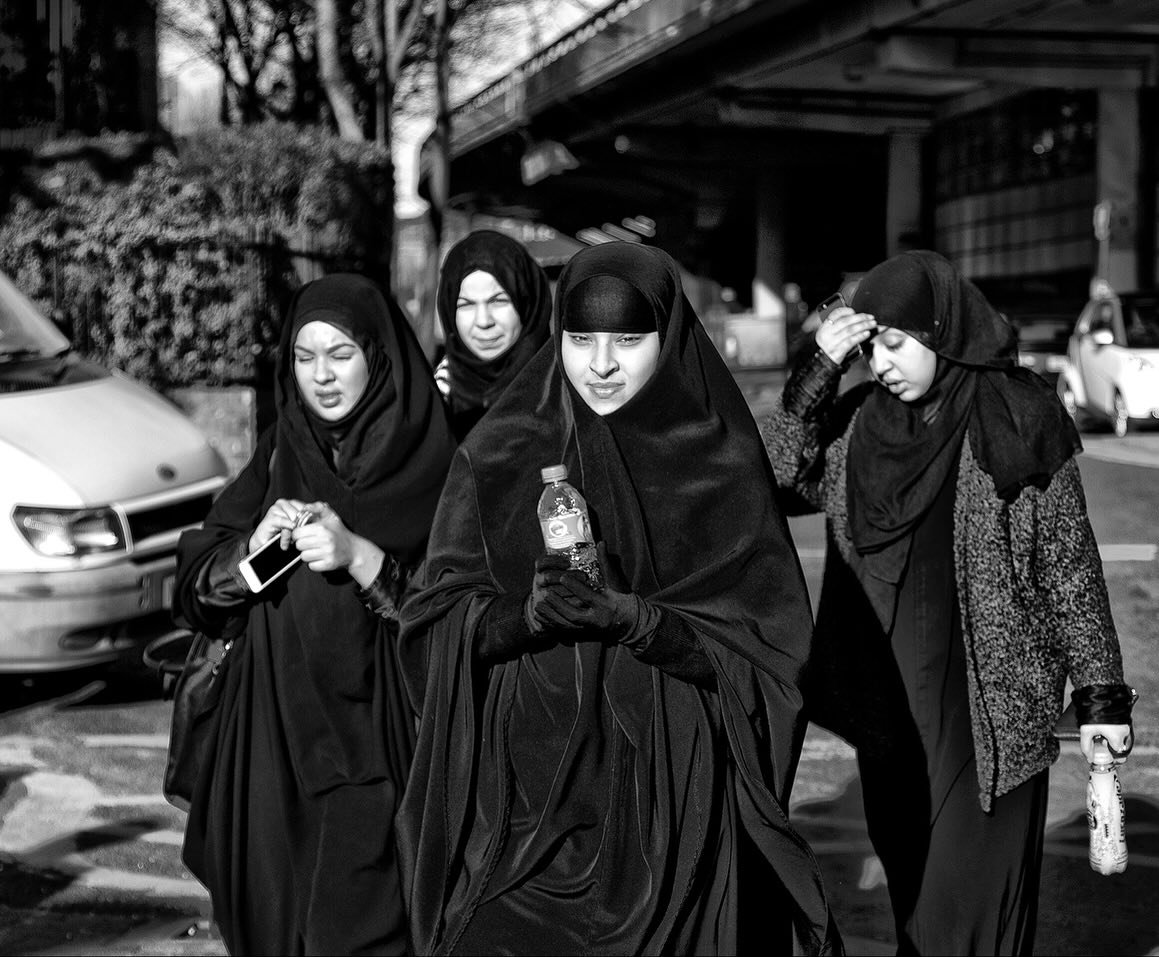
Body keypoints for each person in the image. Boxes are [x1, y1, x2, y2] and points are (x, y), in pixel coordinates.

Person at [396, 242, 842, 956]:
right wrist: (523, 615)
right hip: (524, 818)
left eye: (627, 340)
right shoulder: (499, 451)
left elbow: (770, 657)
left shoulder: (720, 463)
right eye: (580, 339)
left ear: (666, 339)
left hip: (674, 825)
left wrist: (644, 621)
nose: (599, 363)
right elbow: (431, 627)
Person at [761, 249, 1135, 956]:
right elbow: (776, 475)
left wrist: (1100, 700)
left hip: (989, 722)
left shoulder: (1015, 417)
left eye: (896, 342)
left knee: (949, 926)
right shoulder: (855, 428)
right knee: (911, 911)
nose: (883, 362)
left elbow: (1069, 568)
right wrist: (817, 367)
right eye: (870, 348)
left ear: (941, 330)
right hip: (888, 719)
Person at [171, 274, 457, 956]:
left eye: (341, 354)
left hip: (387, 750)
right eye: (305, 357)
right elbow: (196, 589)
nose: (321, 376)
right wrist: (251, 551)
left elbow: (460, 614)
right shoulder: (281, 449)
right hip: (273, 746)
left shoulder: (439, 460)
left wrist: (364, 559)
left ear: (378, 356)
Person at [433, 229, 553, 439]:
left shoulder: (563, 391)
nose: (484, 321)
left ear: (527, 304)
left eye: (499, 301)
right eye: (466, 304)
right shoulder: (437, 397)